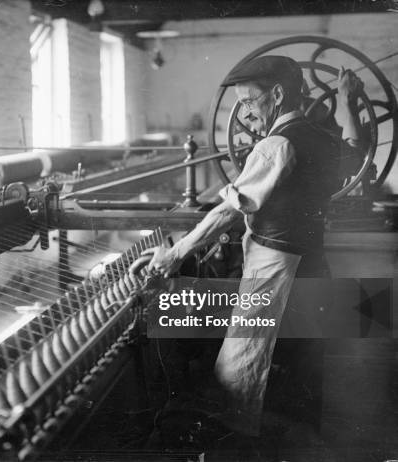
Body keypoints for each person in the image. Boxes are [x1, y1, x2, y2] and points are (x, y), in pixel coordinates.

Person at [146, 55, 353, 438]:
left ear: (276, 94)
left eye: (249, 101)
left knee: (238, 369)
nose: (244, 113)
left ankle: (237, 443)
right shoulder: (325, 139)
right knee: (299, 367)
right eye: (239, 104)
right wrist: (347, 98)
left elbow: (228, 211)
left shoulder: (275, 146)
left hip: (275, 273)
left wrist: (174, 255)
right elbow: (356, 151)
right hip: (311, 266)